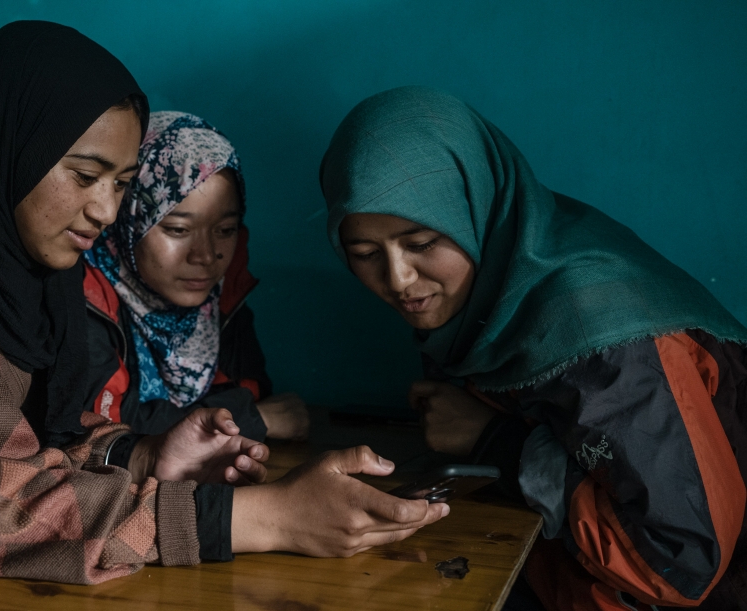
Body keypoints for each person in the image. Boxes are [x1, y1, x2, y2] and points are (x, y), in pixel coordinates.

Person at [0, 24, 446, 584]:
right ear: (6, 139)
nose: (104, 211)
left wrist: (143, 452)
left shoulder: (20, 263)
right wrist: (265, 518)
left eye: (121, 184)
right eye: (83, 174)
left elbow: (21, 434)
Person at [319, 86, 747, 610]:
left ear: (475, 206)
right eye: (364, 253)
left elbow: (680, 565)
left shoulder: (605, 340)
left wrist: (494, 441)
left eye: (423, 243)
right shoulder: (491, 287)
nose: (399, 279)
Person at [83, 111, 309, 442]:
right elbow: (103, 427)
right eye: (178, 229)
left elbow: (251, 386)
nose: (204, 256)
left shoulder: (222, 295)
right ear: (128, 219)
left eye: (225, 229)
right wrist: (248, 419)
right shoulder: (86, 297)